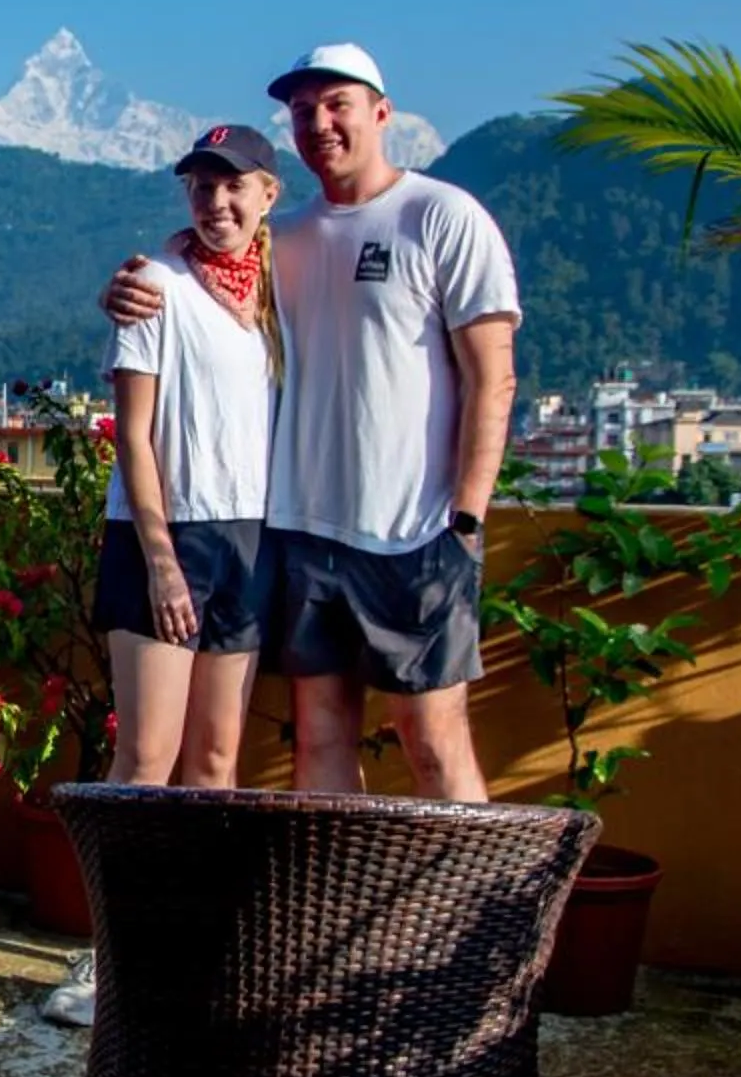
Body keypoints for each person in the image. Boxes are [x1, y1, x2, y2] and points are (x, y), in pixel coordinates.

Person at [103, 42, 519, 802]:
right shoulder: (281, 237)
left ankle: (465, 923)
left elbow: (495, 378)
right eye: (303, 111)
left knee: (433, 744)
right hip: (303, 540)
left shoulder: (443, 216)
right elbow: (200, 260)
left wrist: (466, 518)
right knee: (320, 741)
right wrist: (133, 284)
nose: (320, 122)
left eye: (338, 105)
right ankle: (330, 917)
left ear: (382, 113)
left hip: (415, 536)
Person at [45, 123, 283, 1029]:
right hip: (161, 537)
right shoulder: (154, 288)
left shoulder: (279, 294)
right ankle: (107, 956)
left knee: (216, 762)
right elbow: (133, 437)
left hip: (250, 539)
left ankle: (186, 950)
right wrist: (161, 559)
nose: (215, 204)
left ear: (267, 195)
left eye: (233, 188)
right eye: (199, 187)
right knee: (145, 760)